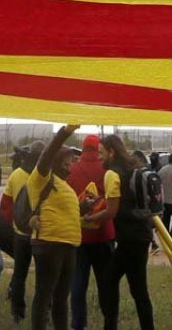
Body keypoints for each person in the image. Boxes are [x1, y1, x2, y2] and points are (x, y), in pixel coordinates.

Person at [27, 125, 82, 330]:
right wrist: (65, 133)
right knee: (44, 294)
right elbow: (47, 154)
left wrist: (84, 207)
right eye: (68, 157)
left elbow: (68, 214)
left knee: (61, 297)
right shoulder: (42, 177)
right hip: (49, 244)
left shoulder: (64, 186)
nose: (72, 161)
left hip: (68, 245)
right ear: (56, 160)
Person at [98, 135, 154, 330]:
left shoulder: (112, 174)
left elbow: (111, 211)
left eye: (101, 152)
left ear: (111, 152)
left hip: (130, 239)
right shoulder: (132, 168)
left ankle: (111, 325)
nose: (100, 157)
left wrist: (89, 219)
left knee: (126, 286)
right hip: (140, 234)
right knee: (129, 286)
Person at [66, 135, 118, 330]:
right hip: (104, 233)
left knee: (78, 284)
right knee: (106, 283)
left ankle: (78, 324)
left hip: (78, 234)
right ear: (99, 148)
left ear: (83, 147)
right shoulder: (109, 170)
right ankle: (109, 323)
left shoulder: (72, 170)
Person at [1, 141, 45, 324]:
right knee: (44, 277)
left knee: (19, 273)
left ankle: (17, 313)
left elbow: (5, 205)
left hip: (20, 233)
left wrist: (15, 222)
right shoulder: (46, 175)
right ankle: (44, 311)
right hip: (41, 234)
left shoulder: (16, 174)